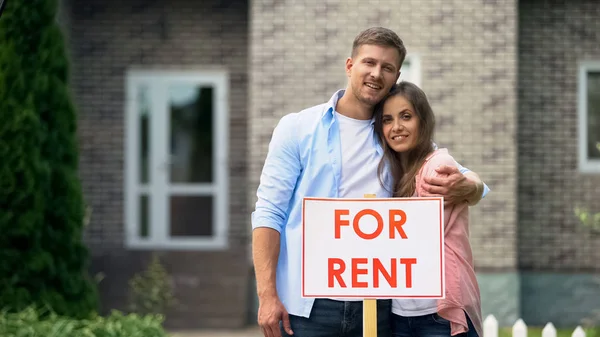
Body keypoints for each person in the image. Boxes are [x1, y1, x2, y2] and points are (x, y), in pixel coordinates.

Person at [251, 27, 489, 337]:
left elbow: (464, 176)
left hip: (376, 304)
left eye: (387, 68)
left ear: (396, 75)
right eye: (369, 63)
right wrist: (267, 295)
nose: (376, 73)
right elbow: (269, 212)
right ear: (350, 66)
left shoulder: (393, 133)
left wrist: (471, 187)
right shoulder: (297, 128)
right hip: (306, 306)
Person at [373, 81, 483, 337]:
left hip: (439, 314)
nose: (396, 127)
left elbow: (419, 239)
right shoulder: (393, 173)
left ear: (423, 121)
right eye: (387, 120)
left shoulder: (437, 165)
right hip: (402, 313)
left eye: (406, 117)